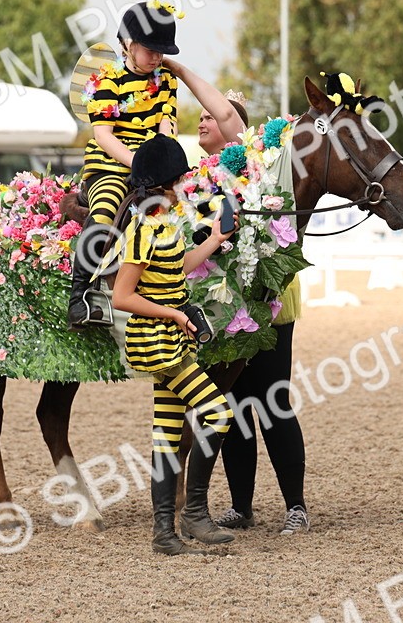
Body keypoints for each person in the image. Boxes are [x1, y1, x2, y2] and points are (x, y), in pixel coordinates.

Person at [165, 57, 311, 536]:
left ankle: (296, 506)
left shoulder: (262, 169)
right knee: (230, 405)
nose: (204, 119)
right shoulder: (196, 177)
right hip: (220, 307)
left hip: (268, 305)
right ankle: (243, 506)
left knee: (271, 402)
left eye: (212, 114)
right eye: (202, 116)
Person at [111, 134, 240, 555]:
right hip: (157, 340)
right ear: (167, 181)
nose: (185, 184)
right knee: (219, 413)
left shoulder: (164, 221)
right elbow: (122, 296)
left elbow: (178, 267)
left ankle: (164, 532)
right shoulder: (142, 228)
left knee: (166, 435)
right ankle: (196, 514)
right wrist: (176, 314)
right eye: (180, 178)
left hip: (171, 340)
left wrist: (216, 240)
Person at [68, 0, 182, 328]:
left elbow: (166, 129)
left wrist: (168, 166)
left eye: (162, 52)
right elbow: (104, 135)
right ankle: (79, 298)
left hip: (152, 164)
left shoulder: (167, 80)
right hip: (110, 165)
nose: (157, 57)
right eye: (151, 50)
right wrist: (139, 164)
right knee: (105, 211)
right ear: (128, 44)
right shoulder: (105, 79)